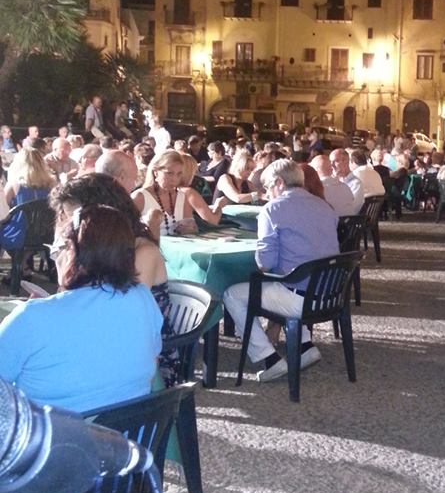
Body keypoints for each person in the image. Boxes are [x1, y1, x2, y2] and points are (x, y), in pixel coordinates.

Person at [0, 204, 162, 411]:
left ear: (70, 251)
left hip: (53, 430)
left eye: (56, 250)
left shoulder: (31, 317)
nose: (55, 258)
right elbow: (150, 363)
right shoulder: (143, 298)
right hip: (130, 428)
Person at [51, 173, 179, 386]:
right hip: (95, 338)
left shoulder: (143, 252)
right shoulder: (89, 250)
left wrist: (65, 280)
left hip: (141, 354)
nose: (69, 227)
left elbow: (116, 313)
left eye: (74, 218)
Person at [223, 159, 339, 382]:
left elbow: (264, 264)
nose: (267, 193)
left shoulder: (272, 209)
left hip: (300, 298)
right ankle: (305, 346)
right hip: (330, 294)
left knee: (232, 294)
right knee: (287, 281)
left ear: (278, 182)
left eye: (268, 187)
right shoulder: (325, 207)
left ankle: (268, 358)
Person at [132, 149, 228, 236]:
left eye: (179, 174)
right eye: (169, 173)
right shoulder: (140, 197)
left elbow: (189, 233)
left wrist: (191, 230)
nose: (174, 179)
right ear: (155, 172)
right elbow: (126, 233)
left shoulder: (182, 197)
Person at [329, 148, 364, 213]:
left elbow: (351, 208)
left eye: (335, 161)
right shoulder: (332, 181)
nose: (331, 165)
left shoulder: (356, 184)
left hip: (346, 218)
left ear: (346, 162)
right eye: (330, 162)